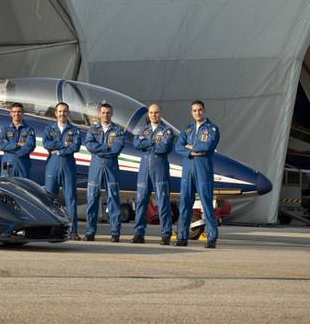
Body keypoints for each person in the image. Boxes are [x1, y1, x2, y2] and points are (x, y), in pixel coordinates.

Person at [174, 100, 220, 248]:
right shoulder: (187, 129)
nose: (197, 112)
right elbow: (178, 146)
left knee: (206, 202)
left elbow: (207, 146)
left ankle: (212, 238)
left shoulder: (212, 129)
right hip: (188, 170)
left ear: (204, 111)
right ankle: (182, 237)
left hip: (203, 169)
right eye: (194, 110)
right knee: (185, 203)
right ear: (191, 112)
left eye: (199, 110)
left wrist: (191, 147)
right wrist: (191, 151)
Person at [131, 103, 174, 245]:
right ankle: (139, 234)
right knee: (141, 200)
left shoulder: (167, 131)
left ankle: (166, 234)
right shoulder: (143, 130)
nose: (153, 115)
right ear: (148, 114)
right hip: (144, 168)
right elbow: (136, 144)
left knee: (162, 201)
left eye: (156, 113)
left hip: (159, 167)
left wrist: (146, 143)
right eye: (151, 113)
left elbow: (164, 147)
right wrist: (152, 142)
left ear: (160, 114)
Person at [84, 102, 125, 242]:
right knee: (92, 199)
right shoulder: (93, 130)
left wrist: (100, 150)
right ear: (99, 114)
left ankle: (115, 232)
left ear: (111, 114)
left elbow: (117, 148)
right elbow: (89, 144)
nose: (105, 115)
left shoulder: (118, 131)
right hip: (96, 166)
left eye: (108, 113)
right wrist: (106, 148)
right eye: (103, 112)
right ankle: (90, 232)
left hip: (111, 166)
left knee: (113, 199)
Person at [42, 102, 82, 240]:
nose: (62, 114)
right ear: (55, 113)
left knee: (71, 198)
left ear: (68, 113)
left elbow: (75, 147)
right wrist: (63, 145)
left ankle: (73, 231)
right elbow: (46, 144)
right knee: (49, 197)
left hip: (68, 163)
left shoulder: (74, 130)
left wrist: (58, 150)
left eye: (64, 111)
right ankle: (49, 230)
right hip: (52, 163)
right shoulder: (49, 128)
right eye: (59, 111)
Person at [0, 103, 36, 178]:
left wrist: (12, 150)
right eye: (14, 112)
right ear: (11, 113)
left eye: (19, 112)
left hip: (23, 163)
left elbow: (30, 145)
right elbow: (1, 145)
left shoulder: (29, 129)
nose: (16, 114)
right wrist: (17, 145)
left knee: (23, 187)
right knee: (6, 186)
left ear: (22, 113)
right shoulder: (5, 129)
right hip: (8, 163)